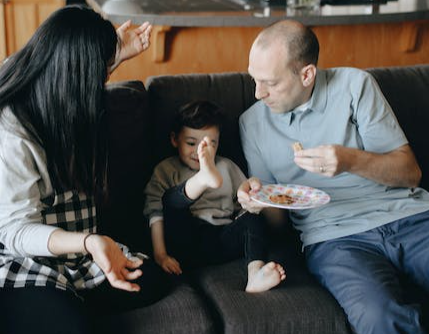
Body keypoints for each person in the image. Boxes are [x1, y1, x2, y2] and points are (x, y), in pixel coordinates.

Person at [0, 5, 170, 334]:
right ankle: (3, 303)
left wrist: (115, 54)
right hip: (3, 247)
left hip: (60, 239)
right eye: (100, 74)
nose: (103, 82)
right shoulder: (10, 131)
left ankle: (44, 301)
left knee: (151, 280)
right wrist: (88, 243)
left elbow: (67, 58)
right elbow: (14, 231)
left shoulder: (38, 73)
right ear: (75, 76)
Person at [238, 19, 429, 334]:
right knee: (378, 316)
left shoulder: (355, 86)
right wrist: (257, 200)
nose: (259, 93)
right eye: (253, 79)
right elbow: (278, 223)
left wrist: (350, 160)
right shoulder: (253, 124)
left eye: (270, 83)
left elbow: (411, 173)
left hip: (409, 217)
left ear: (307, 74)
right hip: (335, 239)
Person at [143, 100, 286, 293]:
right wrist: (160, 255)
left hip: (222, 239)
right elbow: (155, 213)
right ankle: (203, 178)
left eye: (210, 144)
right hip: (186, 241)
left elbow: (243, 208)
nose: (199, 152)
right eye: (191, 143)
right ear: (175, 139)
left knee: (252, 217)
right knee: (170, 201)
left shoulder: (226, 167)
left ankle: (255, 274)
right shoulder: (166, 169)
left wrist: (255, 200)